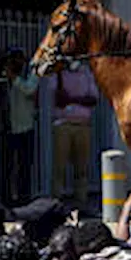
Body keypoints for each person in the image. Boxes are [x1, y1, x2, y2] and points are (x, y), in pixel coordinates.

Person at [51, 63, 98, 206]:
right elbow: (59, 100)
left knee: (81, 168)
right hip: (63, 124)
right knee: (60, 167)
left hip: (83, 124)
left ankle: (81, 201)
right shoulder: (58, 75)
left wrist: (71, 98)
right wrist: (59, 74)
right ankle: (56, 203)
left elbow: (93, 99)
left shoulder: (86, 73)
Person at [5, 48, 39, 205]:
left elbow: (30, 89)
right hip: (9, 128)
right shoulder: (6, 78)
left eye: (18, 60)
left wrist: (15, 78)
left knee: (24, 166)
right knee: (9, 166)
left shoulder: (30, 75)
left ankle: (24, 197)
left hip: (25, 127)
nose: (15, 63)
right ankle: (8, 197)